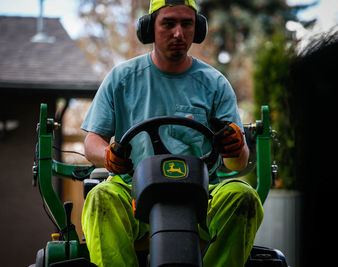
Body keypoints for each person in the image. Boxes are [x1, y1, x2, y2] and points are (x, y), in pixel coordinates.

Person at [81, 0, 263, 266]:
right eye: (168, 23)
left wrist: (236, 149)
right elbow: (91, 142)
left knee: (243, 196)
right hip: (133, 193)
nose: (178, 33)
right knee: (100, 198)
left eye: (186, 24)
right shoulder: (121, 79)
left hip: (202, 195)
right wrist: (107, 156)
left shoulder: (215, 84)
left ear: (197, 29)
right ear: (149, 29)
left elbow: (237, 163)